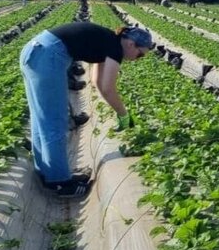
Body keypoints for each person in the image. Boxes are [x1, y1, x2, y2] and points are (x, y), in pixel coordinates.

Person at [20, 24, 153, 197]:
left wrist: (120, 112)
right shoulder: (115, 48)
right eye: (140, 54)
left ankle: (48, 172)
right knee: (55, 121)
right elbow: (108, 88)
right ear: (131, 44)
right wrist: (123, 114)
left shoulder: (109, 41)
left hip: (35, 51)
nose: (138, 58)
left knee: (42, 119)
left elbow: (97, 81)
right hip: (48, 56)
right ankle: (60, 183)